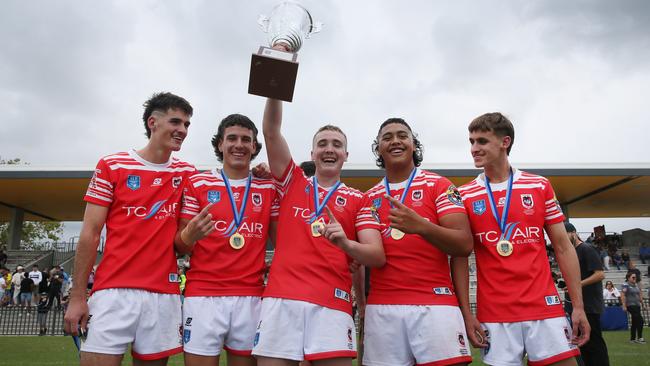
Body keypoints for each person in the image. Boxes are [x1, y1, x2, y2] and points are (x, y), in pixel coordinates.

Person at [63, 92, 200, 365]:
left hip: (163, 294)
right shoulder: (112, 165)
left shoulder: (187, 173)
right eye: (176, 122)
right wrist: (78, 295)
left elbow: (181, 244)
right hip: (113, 291)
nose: (182, 130)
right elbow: (90, 233)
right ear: (153, 122)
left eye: (186, 124)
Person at [252, 97, 384, 365]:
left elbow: (376, 256)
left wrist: (346, 244)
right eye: (322, 144)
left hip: (332, 303)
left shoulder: (360, 200)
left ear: (346, 155)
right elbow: (271, 130)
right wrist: (277, 77)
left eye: (337, 145)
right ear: (312, 153)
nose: (329, 149)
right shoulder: (292, 181)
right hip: (281, 300)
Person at [457, 112, 590, 366]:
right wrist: (467, 313)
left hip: (544, 306)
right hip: (495, 313)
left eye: (482, 141)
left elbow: (563, 247)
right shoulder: (463, 194)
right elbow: (460, 257)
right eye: (471, 141)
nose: (474, 148)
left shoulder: (538, 186)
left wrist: (579, 307)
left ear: (504, 142)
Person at [362, 118, 473, 366]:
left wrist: (421, 226)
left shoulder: (439, 185)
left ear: (414, 144)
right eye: (387, 137)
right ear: (378, 148)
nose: (395, 141)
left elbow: (464, 245)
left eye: (402, 135)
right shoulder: (368, 198)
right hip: (382, 308)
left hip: (435, 304)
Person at [175, 113, 278, 366]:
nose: (239, 145)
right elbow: (179, 246)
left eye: (246, 139)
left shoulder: (268, 187)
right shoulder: (197, 182)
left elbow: (284, 243)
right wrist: (189, 235)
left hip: (251, 297)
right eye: (232, 138)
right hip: (203, 296)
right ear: (220, 143)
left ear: (254, 146)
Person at [565, 222, 609, 366]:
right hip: (577, 306)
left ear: (573, 232)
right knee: (581, 346)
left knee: (594, 345)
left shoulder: (586, 248)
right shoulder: (571, 252)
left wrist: (577, 284)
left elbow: (600, 274)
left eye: (565, 235)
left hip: (589, 306)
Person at [620, 272, 645, 344]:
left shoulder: (636, 285)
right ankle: (640, 338)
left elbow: (640, 295)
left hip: (637, 305)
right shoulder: (625, 285)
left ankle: (632, 339)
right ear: (628, 278)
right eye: (633, 277)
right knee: (640, 320)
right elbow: (623, 295)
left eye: (635, 277)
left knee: (634, 322)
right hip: (630, 305)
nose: (635, 278)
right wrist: (624, 305)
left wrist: (643, 304)